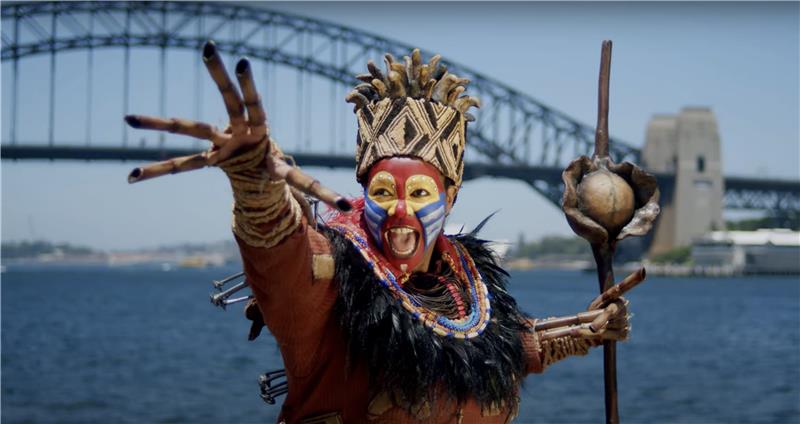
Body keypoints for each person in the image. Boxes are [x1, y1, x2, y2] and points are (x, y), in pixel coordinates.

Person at [126, 42, 636, 424]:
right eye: (384, 192)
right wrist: (257, 185)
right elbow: (284, 259)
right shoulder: (332, 279)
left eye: (419, 195)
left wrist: (587, 329)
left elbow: (505, 348)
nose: (400, 212)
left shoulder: (466, 279)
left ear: (450, 196)